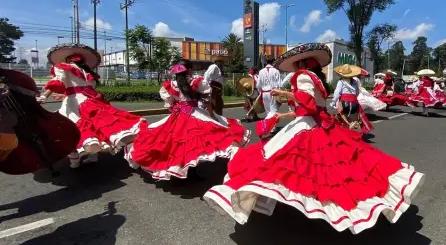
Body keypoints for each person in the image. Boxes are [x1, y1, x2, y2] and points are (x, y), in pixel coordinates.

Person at [204, 43, 425, 234]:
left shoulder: (302, 77)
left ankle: (308, 207)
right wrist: (284, 113)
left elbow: (307, 104)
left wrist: (286, 95)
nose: (296, 70)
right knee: (337, 168)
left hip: (309, 127)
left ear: (300, 65)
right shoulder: (317, 80)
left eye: (297, 66)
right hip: (318, 123)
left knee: (287, 165)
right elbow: (311, 108)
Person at [126, 60, 250, 180]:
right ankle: (191, 170)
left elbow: (170, 104)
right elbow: (207, 101)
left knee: (174, 143)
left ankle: (179, 168)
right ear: (189, 70)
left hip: (178, 114)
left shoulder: (171, 85)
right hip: (194, 113)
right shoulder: (196, 81)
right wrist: (212, 115)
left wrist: (175, 114)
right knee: (197, 142)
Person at [37, 43, 144, 168]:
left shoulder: (62, 67)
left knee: (69, 129)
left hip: (74, 103)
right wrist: (65, 95)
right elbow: (84, 89)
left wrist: (44, 96)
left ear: (67, 59)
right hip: (91, 100)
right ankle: (93, 156)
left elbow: (57, 83)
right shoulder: (86, 72)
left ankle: (74, 161)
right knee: (94, 127)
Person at [330, 64, 374, 134]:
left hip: (344, 103)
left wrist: (333, 102)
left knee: (343, 121)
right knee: (353, 121)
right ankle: (352, 134)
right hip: (354, 103)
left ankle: (346, 136)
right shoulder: (355, 82)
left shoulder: (341, 82)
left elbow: (337, 93)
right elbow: (357, 92)